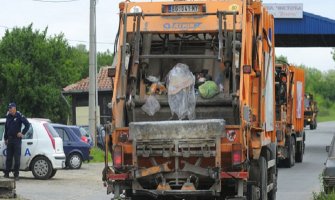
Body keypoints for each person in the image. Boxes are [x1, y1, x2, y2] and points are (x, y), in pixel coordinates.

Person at [4, 103, 30, 180]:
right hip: (10, 139)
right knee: (8, 158)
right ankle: (7, 174)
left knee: (17, 158)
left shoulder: (19, 116)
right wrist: (6, 138)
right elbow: (6, 128)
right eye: (9, 108)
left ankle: (16, 175)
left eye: (10, 108)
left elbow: (27, 125)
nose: (9, 109)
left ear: (14, 108)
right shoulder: (8, 116)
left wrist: (22, 133)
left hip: (16, 140)